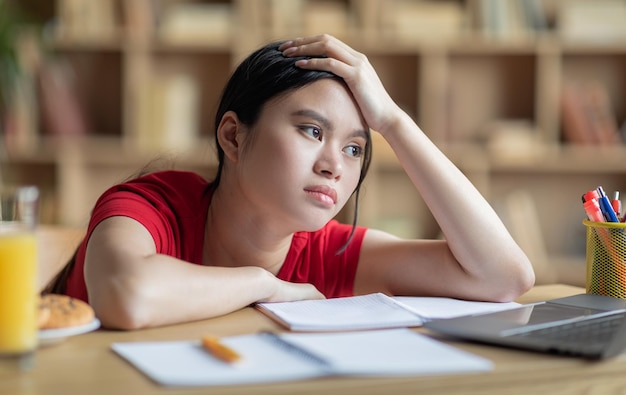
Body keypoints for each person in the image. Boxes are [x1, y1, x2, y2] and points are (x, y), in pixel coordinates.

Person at [46, 34, 535, 330]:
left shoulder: (327, 251)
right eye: (312, 130)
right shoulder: (150, 205)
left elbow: (503, 279)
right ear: (233, 137)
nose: (334, 166)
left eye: (354, 148)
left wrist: (394, 123)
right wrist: (268, 286)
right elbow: (128, 296)